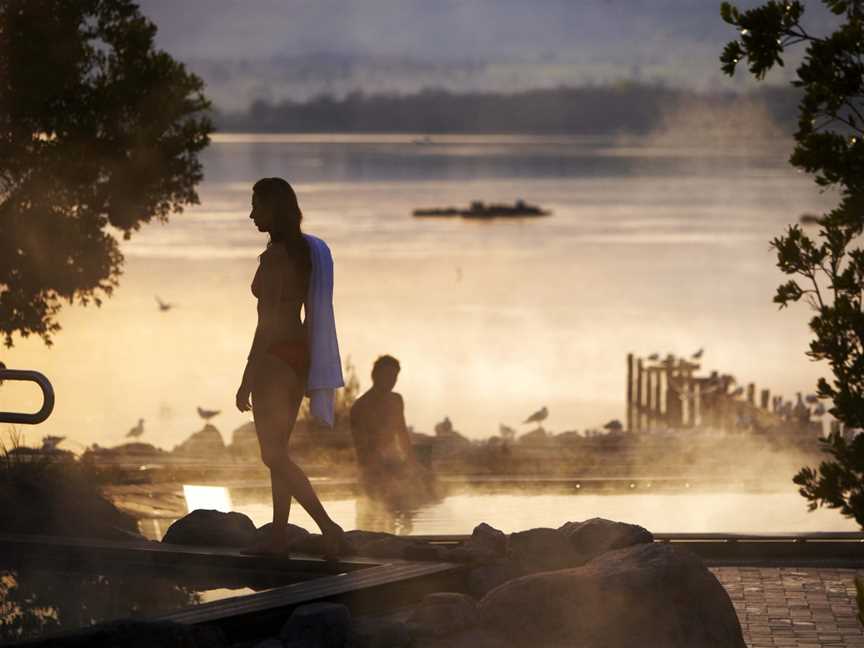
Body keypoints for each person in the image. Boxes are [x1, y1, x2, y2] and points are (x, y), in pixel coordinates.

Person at [235, 177, 345, 557]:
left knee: (272, 454)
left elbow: (267, 322)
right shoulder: (302, 252)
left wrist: (247, 378)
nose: (251, 214)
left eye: (257, 206)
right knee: (277, 450)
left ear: (274, 208)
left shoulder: (277, 257)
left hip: (275, 358)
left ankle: (328, 526)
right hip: (298, 357)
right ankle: (279, 535)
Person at [350, 356, 433, 501]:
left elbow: (402, 435)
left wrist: (413, 465)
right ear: (374, 375)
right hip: (372, 472)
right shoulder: (361, 406)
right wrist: (382, 472)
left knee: (425, 486)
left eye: (394, 377)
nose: (391, 380)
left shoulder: (396, 400)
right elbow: (362, 448)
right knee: (377, 513)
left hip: (393, 464)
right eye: (387, 375)